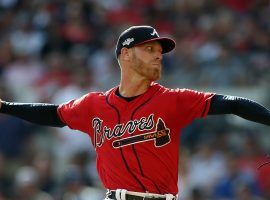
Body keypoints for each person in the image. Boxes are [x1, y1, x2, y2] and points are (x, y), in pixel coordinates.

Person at [0, 25, 270, 200]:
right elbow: (54, 114)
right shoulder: (93, 106)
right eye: (149, 49)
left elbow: (232, 103)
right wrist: (5, 107)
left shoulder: (173, 100)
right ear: (126, 55)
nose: (158, 55)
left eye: (160, 51)